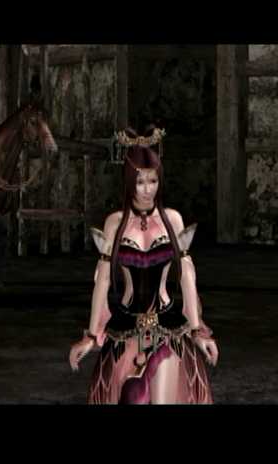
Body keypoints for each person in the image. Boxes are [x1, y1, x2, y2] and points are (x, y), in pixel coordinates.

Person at [68, 126, 218, 404]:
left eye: (153, 181)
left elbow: (186, 276)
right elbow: (103, 280)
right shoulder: (115, 223)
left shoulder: (172, 220)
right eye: (140, 182)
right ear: (129, 182)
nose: (148, 189)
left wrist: (198, 331)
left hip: (168, 329)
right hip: (124, 330)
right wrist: (90, 335)